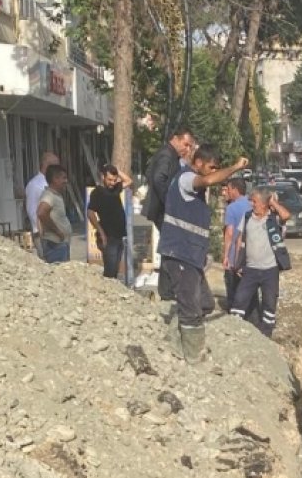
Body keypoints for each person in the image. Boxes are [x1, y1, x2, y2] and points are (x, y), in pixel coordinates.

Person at [158, 146, 249, 361]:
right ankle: (192, 355)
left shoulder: (194, 187)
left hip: (191, 256)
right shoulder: (187, 179)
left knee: (206, 303)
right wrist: (235, 167)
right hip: (180, 252)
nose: (214, 171)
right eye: (211, 167)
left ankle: (174, 337)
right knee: (190, 306)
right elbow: (207, 181)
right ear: (198, 163)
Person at [231, 187, 292, 337]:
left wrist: (273, 202)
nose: (252, 204)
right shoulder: (247, 217)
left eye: (255, 201)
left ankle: (266, 334)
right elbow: (240, 240)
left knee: (269, 303)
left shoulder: (273, 219)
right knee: (240, 299)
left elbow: (286, 215)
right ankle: (234, 330)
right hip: (250, 269)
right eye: (251, 201)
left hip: (270, 270)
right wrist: (238, 262)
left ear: (264, 204)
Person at [144, 128, 196, 300]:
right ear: (175, 139)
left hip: (162, 209)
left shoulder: (170, 155)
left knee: (170, 248)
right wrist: (170, 203)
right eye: (185, 144)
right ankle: (167, 291)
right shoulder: (167, 154)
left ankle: (167, 290)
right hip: (163, 210)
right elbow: (158, 178)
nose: (187, 149)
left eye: (190, 146)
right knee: (172, 249)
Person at [87, 164, 132, 279]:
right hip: (108, 236)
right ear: (103, 177)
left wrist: (116, 169)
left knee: (115, 270)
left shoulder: (115, 189)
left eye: (114, 180)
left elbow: (128, 180)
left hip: (118, 235)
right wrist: (101, 232)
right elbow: (90, 213)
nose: (112, 183)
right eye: (109, 180)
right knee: (110, 271)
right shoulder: (97, 192)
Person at [221, 178, 258, 316]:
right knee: (250, 291)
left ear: (235, 190)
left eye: (229, 189)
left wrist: (226, 256)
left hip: (234, 258)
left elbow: (230, 233)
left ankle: (235, 317)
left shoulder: (232, 208)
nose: (227, 192)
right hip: (251, 257)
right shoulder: (252, 206)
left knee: (233, 291)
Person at [36, 165, 73, 264]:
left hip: (60, 244)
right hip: (55, 245)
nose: (66, 181)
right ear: (55, 179)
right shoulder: (49, 195)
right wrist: (58, 232)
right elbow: (41, 213)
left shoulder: (56, 195)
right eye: (63, 178)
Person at [25, 151, 59, 246]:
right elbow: (32, 210)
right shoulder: (35, 185)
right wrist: (41, 230)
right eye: (56, 165)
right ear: (47, 166)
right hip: (44, 234)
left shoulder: (52, 183)